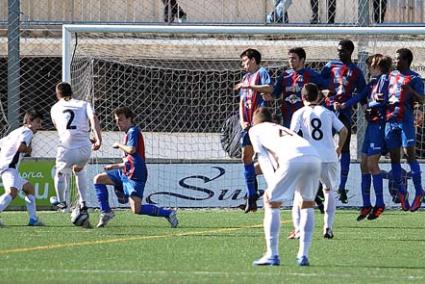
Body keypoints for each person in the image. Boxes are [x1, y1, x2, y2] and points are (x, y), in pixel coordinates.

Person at [250, 107, 321, 266]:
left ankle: (272, 254)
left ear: (254, 121)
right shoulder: (280, 128)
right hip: (314, 157)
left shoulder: (255, 130)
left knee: (270, 200)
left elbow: (263, 158)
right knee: (307, 203)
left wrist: (271, 187)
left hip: (293, 159)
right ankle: (303, 255)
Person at [93, 107, 178, 228]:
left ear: (130, 119)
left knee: (136, 209)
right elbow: (130, 161)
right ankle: (106, 211)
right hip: (125, 172)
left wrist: (118, 145)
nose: (117, 123)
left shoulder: (133, 131)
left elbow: (131, 150)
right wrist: (114, 166)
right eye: (116, 120)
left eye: (121, 120)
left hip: (136, 175)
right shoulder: (128, 134)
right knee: (98, 179)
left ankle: (168, 213)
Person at [336, 54, 392, 220]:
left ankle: (380, 203)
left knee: (372, 164)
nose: (368, 69)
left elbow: (385, 100)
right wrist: (344, 105)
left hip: (380, 126)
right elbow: (360, 96)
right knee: (363, 164)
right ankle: (366, 204)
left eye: (370, 66)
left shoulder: (385, 80)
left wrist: (371, 106)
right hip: (371, 127)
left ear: (377, 66)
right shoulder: (373, 82)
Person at [291, 83, 347, 239]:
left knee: (300, 193)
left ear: (302, 97)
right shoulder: (327, 113)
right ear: (318, 97)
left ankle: (298, 229)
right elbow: (343, 130)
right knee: (329, 191)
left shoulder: (299, 113)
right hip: (329, 157)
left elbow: (292, 135)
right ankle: (328, 228)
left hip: (310, 157)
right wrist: (339, 148)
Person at [321, 39, 367, 204]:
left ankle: (342, 186)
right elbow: (321, 84)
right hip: (327, 111)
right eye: (338, 50)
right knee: (322, 144)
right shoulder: (330, 65)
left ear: (350, 52)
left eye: (343, 50)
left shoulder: (356, 71)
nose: (339, 53)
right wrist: (328, 98)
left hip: (344, 113)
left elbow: (362, 93)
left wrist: (361, 106)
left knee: (345, 148)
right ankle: (320, 185)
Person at [50, 82, 102, 214]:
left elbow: (61, 129)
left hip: (66, 147)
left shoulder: (55, 108)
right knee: (79, 169)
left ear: (57, 95)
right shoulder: (84, 104)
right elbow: (93, 118)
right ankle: (83, 202)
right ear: (72, 92)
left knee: (60, 173)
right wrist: (98, 139)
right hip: (85, 148)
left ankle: (62, 203)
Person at [233, 48, 273, 213]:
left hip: (262, 126)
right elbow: (242, 102)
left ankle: (270, 193)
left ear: (253, 60)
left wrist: (250, 85)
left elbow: (269, 89)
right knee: (245, 157)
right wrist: (242, 121)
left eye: (245, 61)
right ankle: (251, 196)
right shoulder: (245, 77)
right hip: (247, 125)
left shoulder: (262, 72)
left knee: (266, 159)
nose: (243, 64)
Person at [385, 48, 424, 212]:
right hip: (389, 120)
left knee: (410, 156)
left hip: (405, 120)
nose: (395, 61)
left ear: (407, 60)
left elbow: (422, 99)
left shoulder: (414, 78)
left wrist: (411, 91)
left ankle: (419, 191)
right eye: (394, 59)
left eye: (398, 59)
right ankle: (401, 192)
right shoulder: (390, 76)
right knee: (394, 158)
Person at [0, 110, 44, 226]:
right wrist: (28, 150)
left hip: (6, 164)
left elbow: (2, 143)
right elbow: (21, 147)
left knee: (29, 188)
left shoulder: (16, 131)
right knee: (12, 192)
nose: (40, 126)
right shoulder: (27, 131)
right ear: (29, 121)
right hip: (9, 166)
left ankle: (33, 219)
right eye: (38, 122)